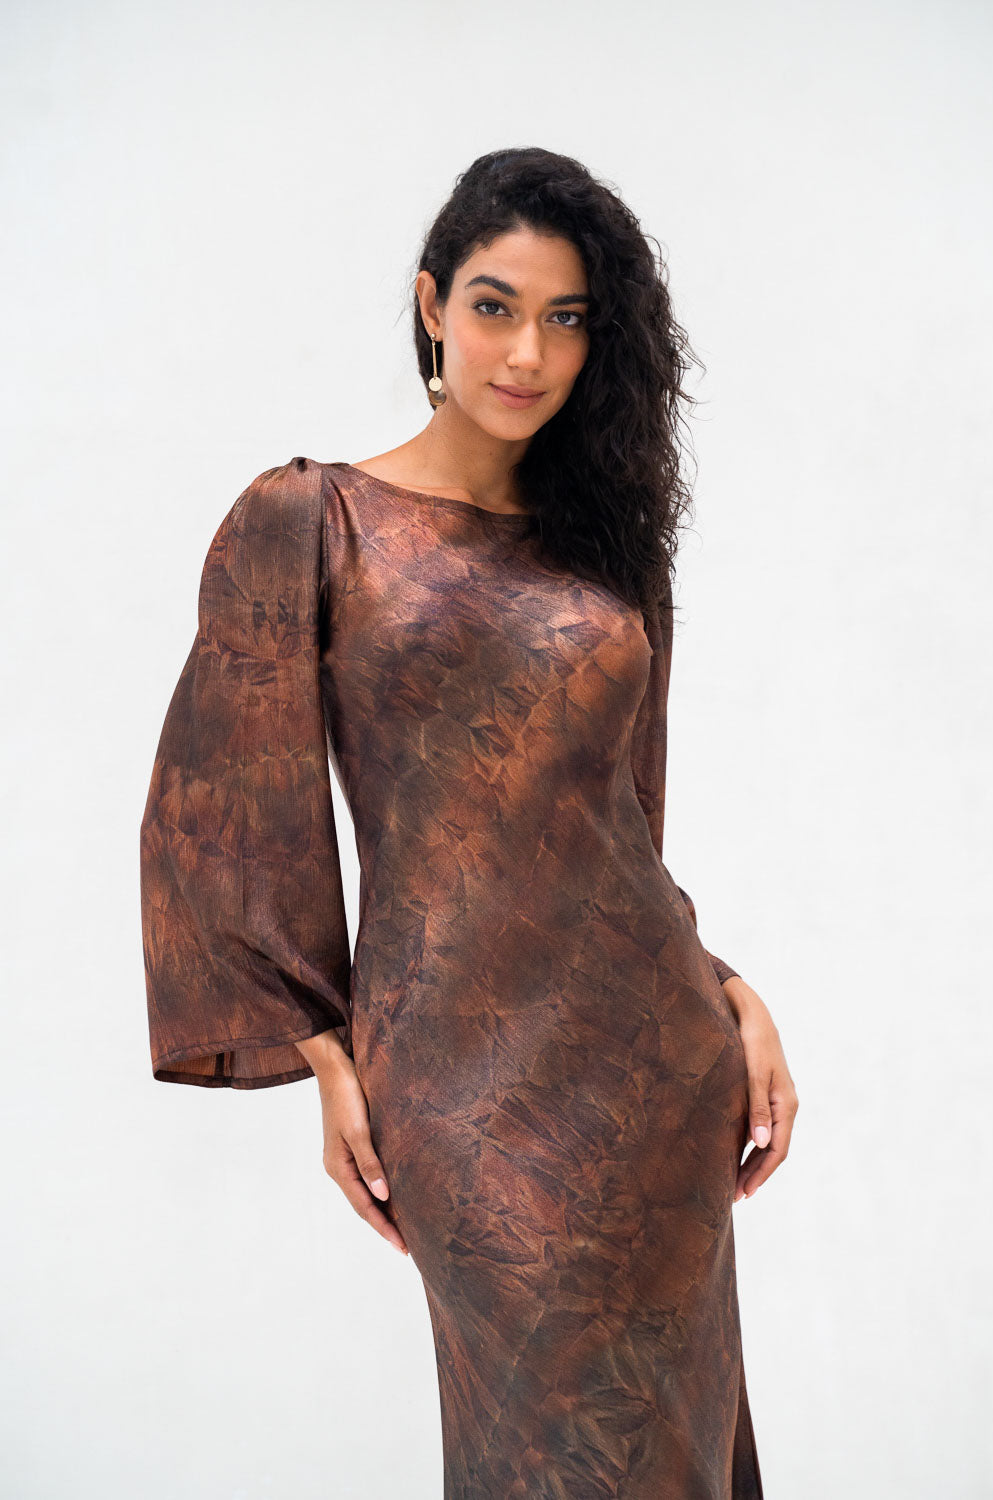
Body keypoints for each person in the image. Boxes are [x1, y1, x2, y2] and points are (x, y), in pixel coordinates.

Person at [139, 146, 797, 1499]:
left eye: (568, 319)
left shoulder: (610, 553)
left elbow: (616, 829)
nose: (528, 353)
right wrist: (326, 1053)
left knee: (665, 1448)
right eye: (496, 306)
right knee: (540, 1454)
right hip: (456, 1085)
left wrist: (729, 991)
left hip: (655, 1066)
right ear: (432, 302)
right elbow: (221, 807)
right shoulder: (312, 518)